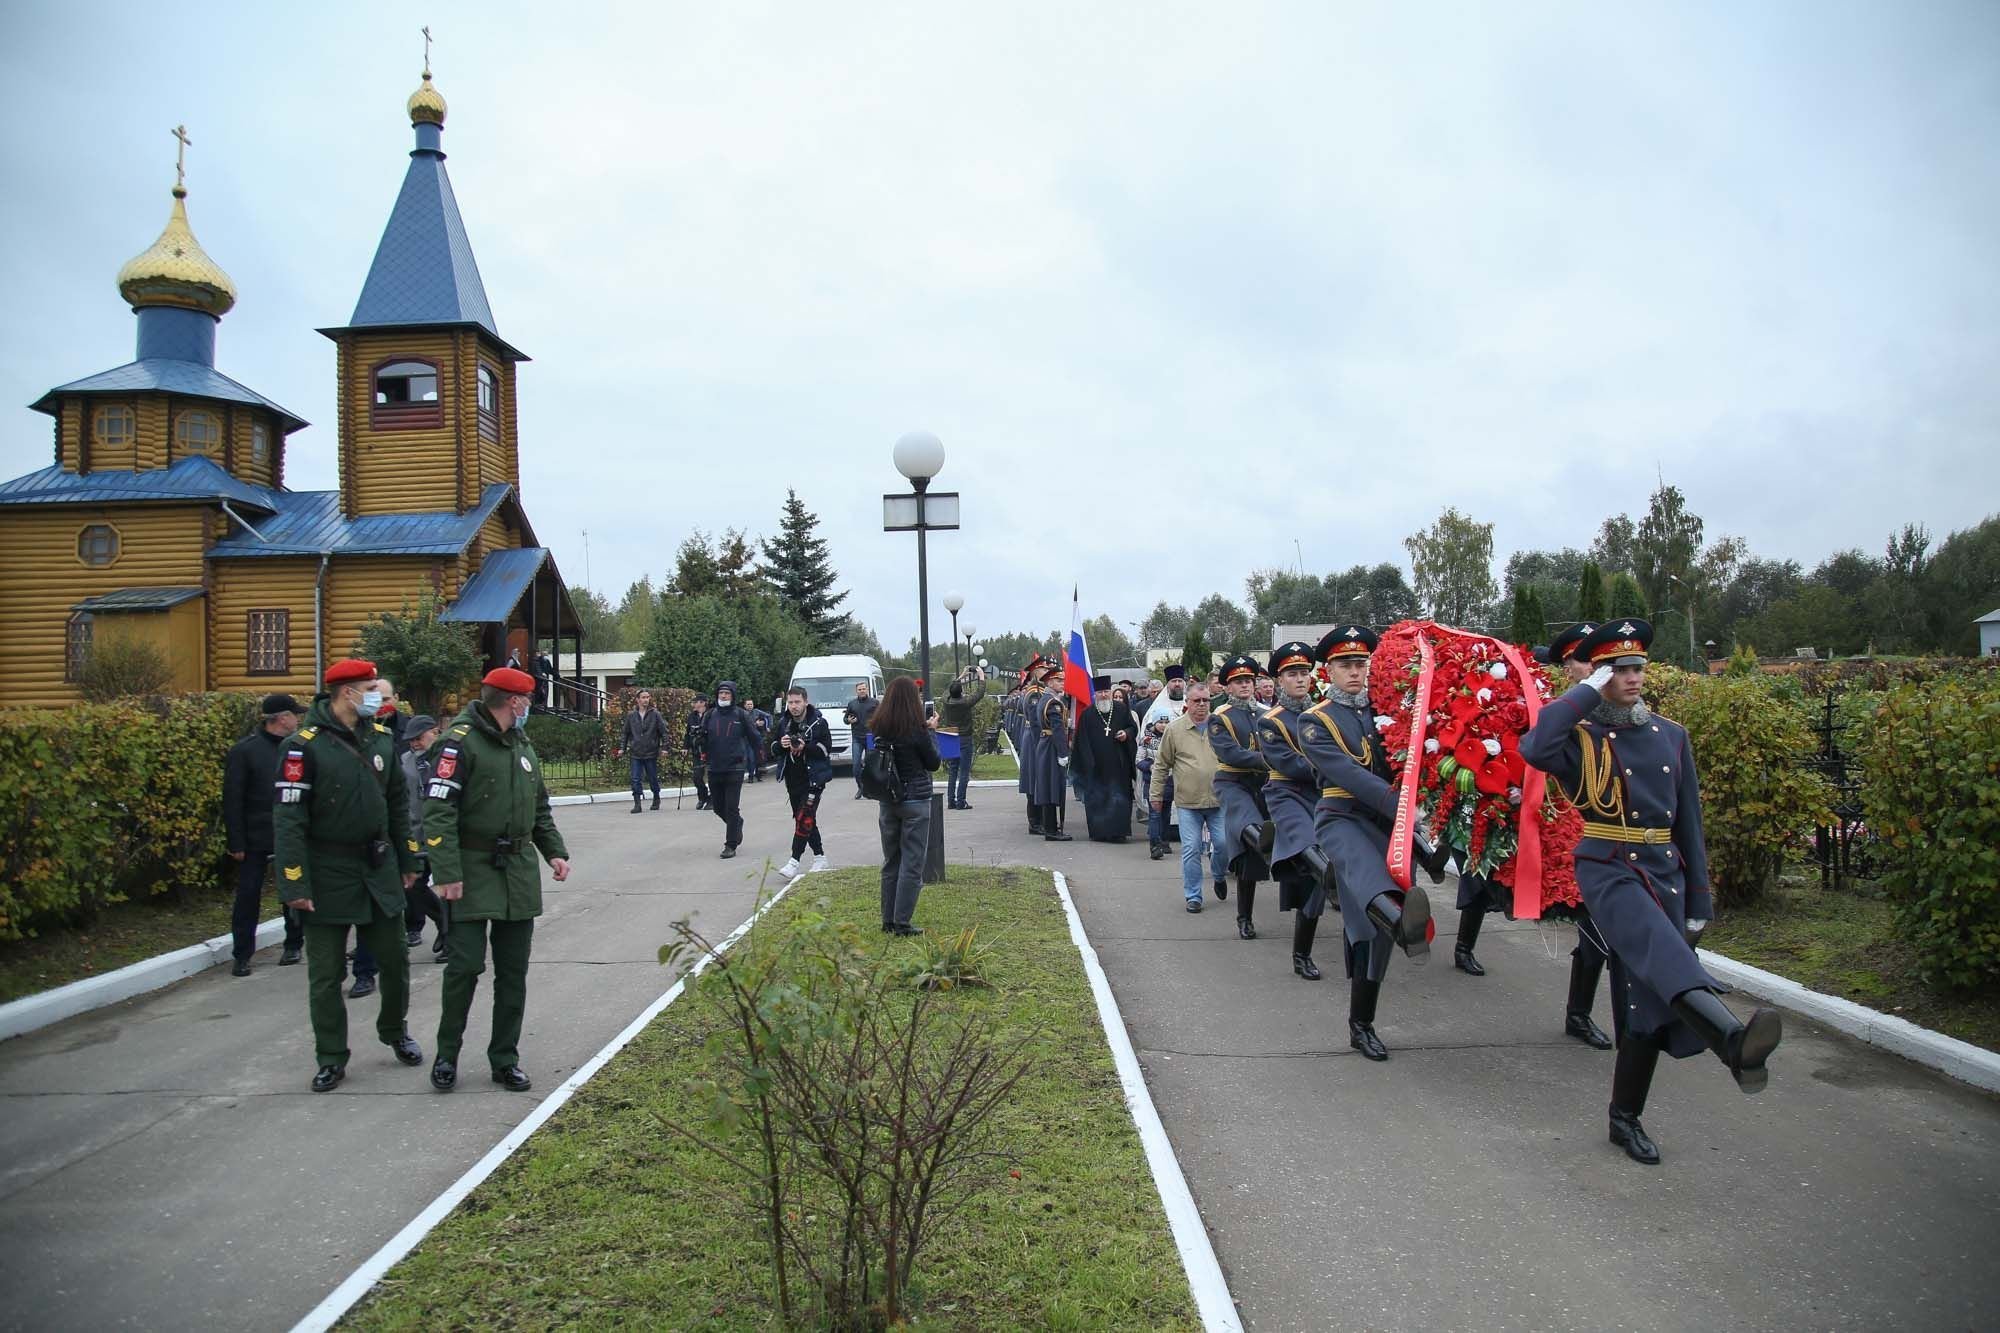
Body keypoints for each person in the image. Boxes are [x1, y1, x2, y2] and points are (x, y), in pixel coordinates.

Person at [1522, 619, 1781, 1165]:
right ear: (1599, 676)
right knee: (1657, 954)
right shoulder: (1580, 739)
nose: (1633, 677)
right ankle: (1732, 1041)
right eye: (1619, 670)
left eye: (1638, 666)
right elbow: (1536, 744)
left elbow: (1689, 823)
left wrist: (1699, 903)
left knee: (1645, 998)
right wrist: (1586, 688)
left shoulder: (1671, 734)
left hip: (1663, 869)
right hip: (1608, 866)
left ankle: (1624, 1117)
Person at [1450, 622, 1615, 1051]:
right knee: (1484, 879)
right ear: (1567, 669)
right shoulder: (1544, 702)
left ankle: (1578, 1013)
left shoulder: (1621, 712)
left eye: (1600, 660)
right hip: (1528, 805)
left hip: (1587, 826)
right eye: (1584, 661)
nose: (1595, 669)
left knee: (1594, 917)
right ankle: (1464, 944)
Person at [272, 659, 423, 1093]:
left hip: (377, 868)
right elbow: (289, 820)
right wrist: (295, 884)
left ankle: (394, 1030)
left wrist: (410, 861)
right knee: (325, 975)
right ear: (346, 694)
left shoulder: (380, 738)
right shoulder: (303, 747)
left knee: (394, 960)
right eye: (371, 688)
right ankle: (332, 1056)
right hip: (327, 871)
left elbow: (397, 804)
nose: (378, 696)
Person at [423, 665, 572, 1093]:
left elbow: (539, 808)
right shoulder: (458, 745)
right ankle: (446, 1055)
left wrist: (555, 852)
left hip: (518, 873)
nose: (528, 707)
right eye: (527, 700)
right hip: (471, 870)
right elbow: (438, 812)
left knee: (513, 972)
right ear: (514, 702)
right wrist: (446, 872)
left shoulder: (522, 745)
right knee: (464, 967)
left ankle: (504, 1058)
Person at [1295, 626, 1434, 1062]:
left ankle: (1362, 1022)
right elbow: (1349, 776)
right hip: (1341, 818)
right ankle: (1403, 924)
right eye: (1344, 665)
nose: (1354, 672)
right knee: (1377, 890)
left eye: (1360, 664)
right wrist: (1403, 806)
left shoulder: (1387, 710)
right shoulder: (1314, 719)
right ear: (1329, 670)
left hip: (1386, 821)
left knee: (1372, 938)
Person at [1254, 642, 1343, 969]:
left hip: (1324, 795)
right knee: (1313, 850)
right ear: (1279, 681)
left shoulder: (1325, 713)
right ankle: (1302, 954)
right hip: (1286, 794)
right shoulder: (1270, 721)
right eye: (1292, 674)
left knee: (1319, 877)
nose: (1300, 679)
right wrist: (1336, 767)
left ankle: (1306, 949)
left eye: (1304, 672)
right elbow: (1288, 764)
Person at [223, 693, 305, 975]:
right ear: (282, 718)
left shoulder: (297, 748)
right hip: (255, 836)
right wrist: (236, 841)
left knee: (292, 890)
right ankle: (242, 954)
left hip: (289, 834)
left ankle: (294, 944)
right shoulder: (245, 751)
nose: (298, 719)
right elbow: (232, 799)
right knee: (248, 896)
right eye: (295, 714)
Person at [343, 674, 406, 998]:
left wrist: (409, 856)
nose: (380, 705)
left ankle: (365, 972)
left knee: (377, 913)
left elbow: (400, 799)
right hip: (339, 851)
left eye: (384, 699)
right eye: (374, 697)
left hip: (382, 846)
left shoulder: (400, 733)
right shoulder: (339, 737)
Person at [1208, 655, 1275, 937]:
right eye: (1238, 681)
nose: (1245, 685)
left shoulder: (1266, 713)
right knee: (1248, 855)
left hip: (1267, 784)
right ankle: (1244, 918)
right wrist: (1269, 759)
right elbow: (1230, 753)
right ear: (1228, 687)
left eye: (1248, 680)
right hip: (1234, 782)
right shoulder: (1219, 717)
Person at [869, 677, 941, 935]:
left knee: (891, 860)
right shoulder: (917, 730)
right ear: (912, 700)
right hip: (915, 800)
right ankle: (902, 922)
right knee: (912, 861)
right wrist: (931, 730)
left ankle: (887, 920)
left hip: (888, 800)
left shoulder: (880, 726)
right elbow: (933, 763)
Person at [1151, 684, 1225, 911]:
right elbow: (1162, 765)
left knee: (1223, 844)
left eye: (1206, 700)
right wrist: (1156, 794)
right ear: (1187, 703)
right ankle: (1193, 895)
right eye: (1197, 701)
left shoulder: (1221, 726)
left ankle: (1219, 874)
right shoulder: (1174, 730)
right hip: (1188, 803)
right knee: (1191, 848)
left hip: (1219, 800)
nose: (1202, 705)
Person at [398, 713, 449, 956]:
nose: (415, 744)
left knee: (449, 887)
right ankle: (442, 922)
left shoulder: (448, 757)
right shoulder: (405, 761)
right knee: (414, 885)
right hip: (417, 836)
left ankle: (451, 939)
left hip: (446, 836)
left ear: (434, 732)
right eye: (411, 740)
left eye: (419, 738)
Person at [772, 685, 833, 877]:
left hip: (814, 778)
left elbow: (825, 749)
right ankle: (820, 857)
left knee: (804, 817)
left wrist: (806, 746)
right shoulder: (783, 723)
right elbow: (772, 747)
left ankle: (794, 861)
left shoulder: (819, 723)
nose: (794, 706)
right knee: (805, 820)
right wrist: (781, 745)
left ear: (806, 702)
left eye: (797, 702)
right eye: (790, 702)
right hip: (793, 779)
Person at [1072, 674, 1139, 841]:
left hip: (1119, 764)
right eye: (1100, 692)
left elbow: (1132, 728)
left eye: (1106, 691)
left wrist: (1126, 734)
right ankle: (1099, 832)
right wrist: (1089, 763)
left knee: (1119, 798)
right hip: (1097, 766)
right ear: (1095, 694)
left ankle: (1119, 832)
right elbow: (1082, 741)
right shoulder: (1087, 714)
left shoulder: (1122, 709)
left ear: (1110, 692)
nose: (1104, 695)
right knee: (1098, 798)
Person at [1141, 665, 1190, 858]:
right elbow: (1144, 740)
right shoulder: (1156, 708)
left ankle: (1170, 839)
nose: (1177, 684)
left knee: (1169, 807)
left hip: (1182, 768)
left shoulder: (1191, 704)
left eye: (1180, 681)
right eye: (1174, 681)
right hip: (1159, 771)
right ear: (1168, 685)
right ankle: (1157, 840)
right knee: (1158, 808)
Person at [702, 681, 752, 856]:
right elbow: (702, 737)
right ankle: (737, 823)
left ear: (733, 696)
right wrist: (697, 742)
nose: (723, 696)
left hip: (735, 767)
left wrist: (760, 758)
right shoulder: (709, 715)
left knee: (731, 807)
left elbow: (754, 737)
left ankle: (730, 845)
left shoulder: (741, 715)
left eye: (727, 693)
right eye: (721, 693)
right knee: (718, 807)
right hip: (715, 767)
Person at [1028, 660, 1072, 841]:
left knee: (1047, 787)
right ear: (1050, 683)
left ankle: (1050, 828)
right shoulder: (1052, 702)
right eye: (1059, 681)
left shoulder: (1046, 699)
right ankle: (1052, 830)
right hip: (1052, 747)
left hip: (1045, 745)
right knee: (1052, 787)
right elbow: (1057, 731)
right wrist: (1063, 753)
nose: (1063, 684)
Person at [936, 668, 988, 810]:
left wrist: (962, 675)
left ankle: (951, 801)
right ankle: (961, 801)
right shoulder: (965, 702)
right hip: (964, 738)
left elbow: (949, 689)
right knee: (964, 771)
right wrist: (981, 676)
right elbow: (980, 693)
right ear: (961, 692)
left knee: (953, 770)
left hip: (949, 736)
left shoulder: (946, 701)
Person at [622, 689, 671, 813]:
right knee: (635, 778)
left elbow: (664, 732)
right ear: (637, 700)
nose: (646, 700)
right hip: (636, 752)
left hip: (651, 751)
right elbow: (625, 733)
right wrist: (622, 748)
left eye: (647, 697)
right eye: (643, 697)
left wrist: (665, 748)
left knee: (652, 777)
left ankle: (656, 797)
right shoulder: (631, 715)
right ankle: (637, 803)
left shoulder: (655, 714)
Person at [1015, 658, 1049, 833]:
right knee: (1034, 779)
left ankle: (1040, 820)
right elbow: (1036, 721)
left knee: (1039, 778)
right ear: (1035, 672)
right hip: (1035, 739)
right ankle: (1035, 822)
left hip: (1035, 738)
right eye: (1043, 670)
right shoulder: (1035, 693)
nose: (1047, 672)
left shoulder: (1041, 690)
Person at [843, 681, 879, 799]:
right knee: (856, 766)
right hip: (857, 738)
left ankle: (870, 789)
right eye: (859, 689)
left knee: (870, 765)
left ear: (867, 689)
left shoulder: (874, 703)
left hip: (870, 738)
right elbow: (845, 719)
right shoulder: (852, 704)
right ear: (856, 691)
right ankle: (861, 787)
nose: (862, 691)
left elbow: (881, 716)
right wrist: (849, 720)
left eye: (864, 689)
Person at [684, 694, 712, 810]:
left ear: (703, 703)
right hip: (696, 751)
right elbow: (687, 733)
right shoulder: (692, 716)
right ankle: (703, 797)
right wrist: (685, 747)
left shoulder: (711, 715)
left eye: (695, 702)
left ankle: (713, 800)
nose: (693, 704)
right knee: (697, 777)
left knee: (712, 778)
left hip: (710, 751)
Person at [741, 696, 770, 782]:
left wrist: (766, 725)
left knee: (759, 757)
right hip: (746, 739)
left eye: (751, 704)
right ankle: (750, 776)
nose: (750, 706)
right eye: (748, 704)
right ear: (745, 706)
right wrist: (755, 724)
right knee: (750, 758)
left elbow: (768, 716)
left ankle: (758, 775)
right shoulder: (742, 714)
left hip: (757, 738)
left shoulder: (757, 712)